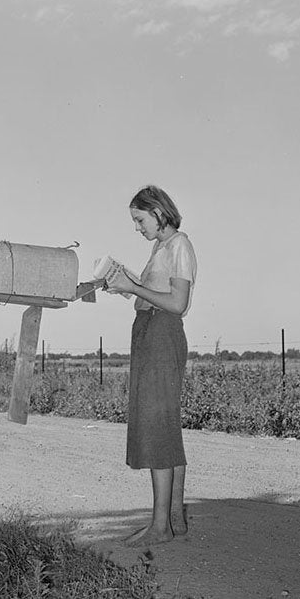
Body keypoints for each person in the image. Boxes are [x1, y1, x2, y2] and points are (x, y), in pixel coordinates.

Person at [104, 186, 198, 546]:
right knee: (163, 424)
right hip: (148, 331)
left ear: (159, 212)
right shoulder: (160, 247)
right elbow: (154, 291)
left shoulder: (180, 246)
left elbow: (177, 303)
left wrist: (135, 287)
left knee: (159, 427)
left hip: (162, 333)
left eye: (140, 220)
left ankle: (159, 527)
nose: (138, 228)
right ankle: (173, 519)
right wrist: (125, 286)